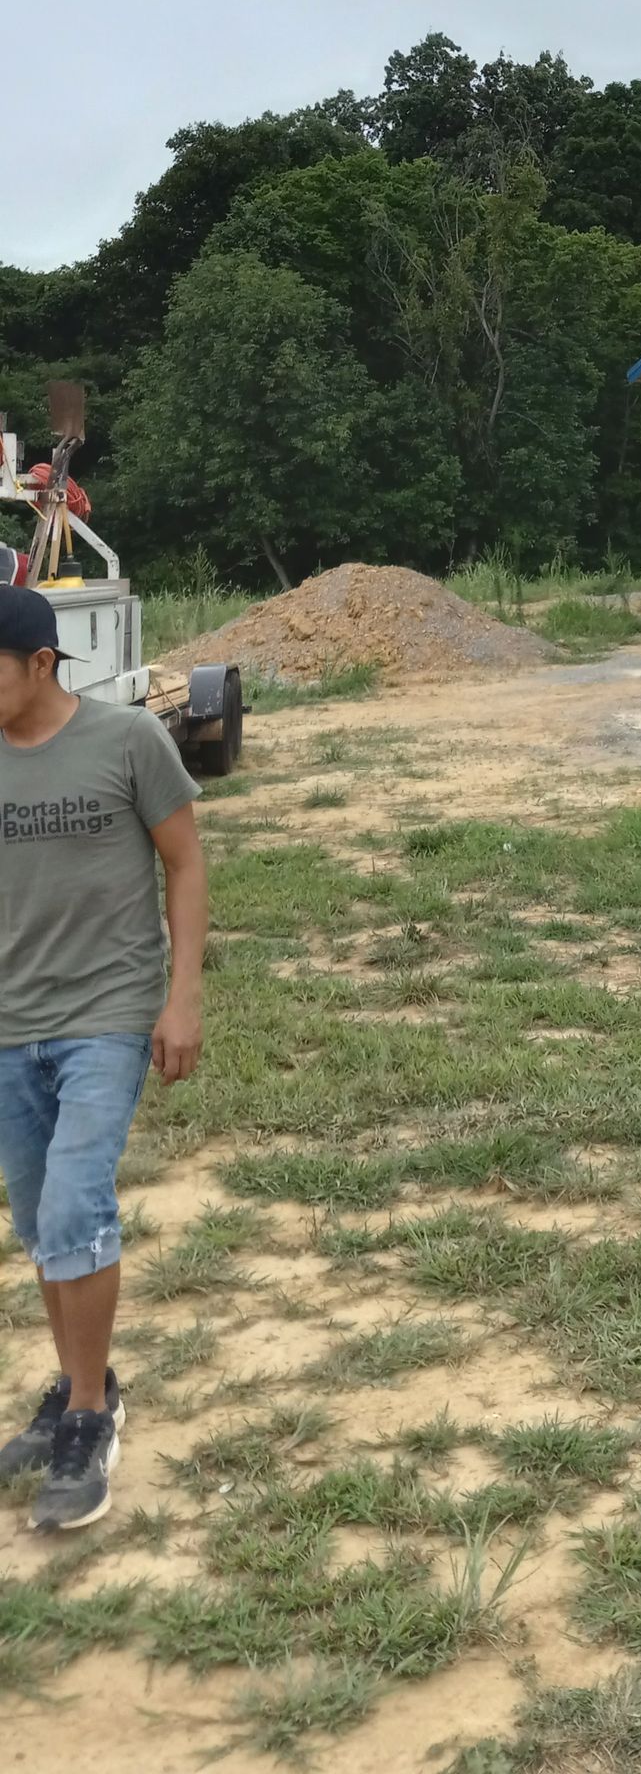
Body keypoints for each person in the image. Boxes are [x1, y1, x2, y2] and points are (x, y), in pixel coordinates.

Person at [0, 584, 207, 1530]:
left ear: (41, 664)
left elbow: (185, 862)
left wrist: (182, 997)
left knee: (78, 1201)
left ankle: (90, 1416)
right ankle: (75, 1384)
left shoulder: (127, 741)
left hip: (107, 1012)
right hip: (10, 1023)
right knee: (44, 1222)